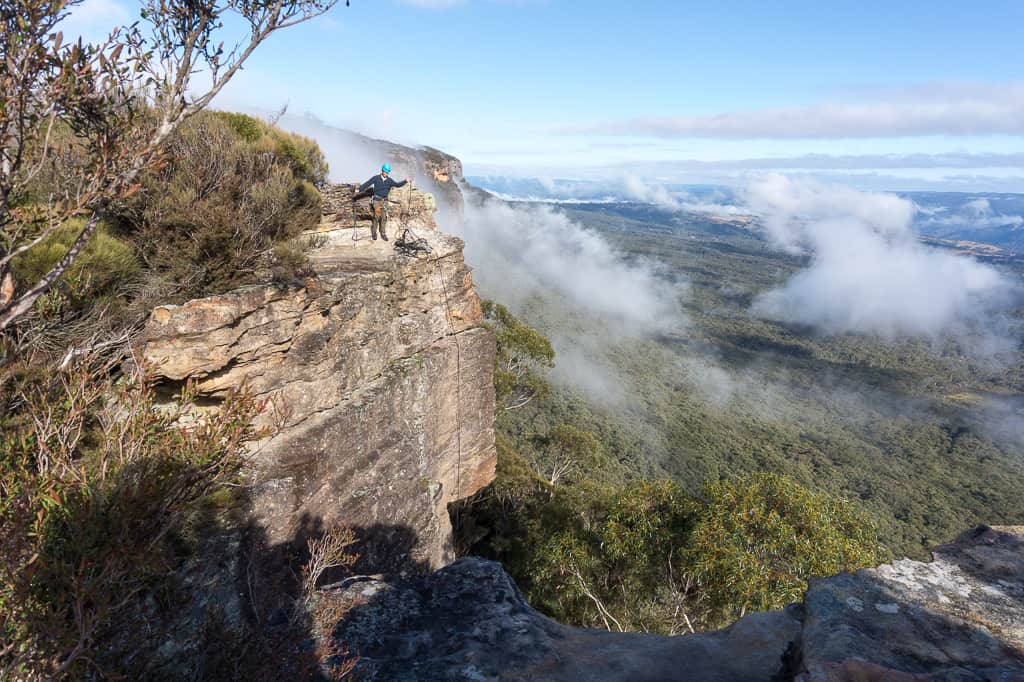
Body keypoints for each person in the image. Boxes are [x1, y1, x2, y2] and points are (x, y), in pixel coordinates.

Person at [358, 164, 410, 241]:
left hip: (384, 201)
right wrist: (359, 189)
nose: (386, 173)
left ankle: (383, 233)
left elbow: (397, 185)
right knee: (377, 216)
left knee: (384, 217)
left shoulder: (389, 181)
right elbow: (367, 183)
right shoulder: (376, 178)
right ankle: (374, 232)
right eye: (385, 171)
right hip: (376, 200)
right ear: (382, 171)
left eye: (387, 172)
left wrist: (405, 181)